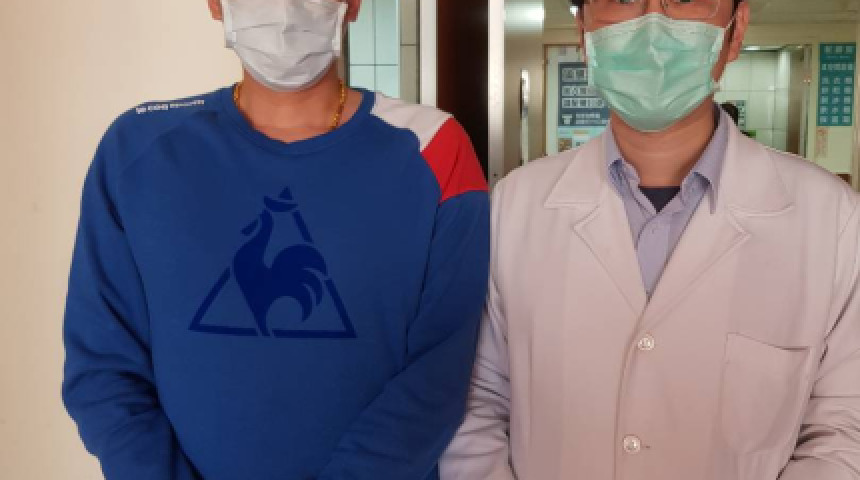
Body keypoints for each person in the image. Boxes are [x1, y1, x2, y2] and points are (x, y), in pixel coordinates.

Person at [61, 1, 490, 479]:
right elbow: (103, 371)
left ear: (352, 4)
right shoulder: (137, 151)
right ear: (216, 4)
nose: (284, 8)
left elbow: (438, 377)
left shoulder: (435, 147)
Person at [442, 0, 860, 479]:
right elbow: (476, 401)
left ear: (736, 28)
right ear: (584, 32)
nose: (652, 24)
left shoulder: (830, 219)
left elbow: (844, 430)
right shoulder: (515, 206)